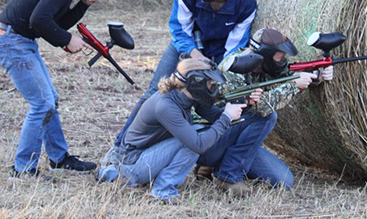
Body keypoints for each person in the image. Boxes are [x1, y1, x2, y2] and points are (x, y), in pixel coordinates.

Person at [103, 0, 257, 161]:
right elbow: (179, 30)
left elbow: (235, 46)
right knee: (154, 92)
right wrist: (194, 54)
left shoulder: (245, 3)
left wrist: (217, 70)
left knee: (211, 98)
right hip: (186, 45)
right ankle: (120, 148)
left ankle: (210, 157)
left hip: (219, 52)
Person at [0, 0, 118, 180]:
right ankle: (23, 170)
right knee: (42, 104)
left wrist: (83, 5)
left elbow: (55, 22)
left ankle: (59, 159)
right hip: (11, 42)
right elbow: (39, 21)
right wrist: (66, 39)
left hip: (20, 41)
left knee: (50, 99)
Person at [98, 58, 272, 199]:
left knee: (196, 135)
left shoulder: (188, 96)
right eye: (210, 82)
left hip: (147, 157)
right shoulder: (166, 106)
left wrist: (245, 104)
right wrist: (227, 116)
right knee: (193, 140)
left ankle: (163, 185)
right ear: (196, 82)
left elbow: (215, 117)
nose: (212, 86)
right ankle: (163, 191)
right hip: (134, 165)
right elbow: (199, 145)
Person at [206, 28, 334, 190]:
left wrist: (316, 75)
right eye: (279, 57)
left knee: (283, 181)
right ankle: (228, 175)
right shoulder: (234, 68)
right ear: (265, 55)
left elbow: (285, 76)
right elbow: (260, 107)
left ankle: (215, 164)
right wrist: (294, 86)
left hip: (236, 139)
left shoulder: (263, 66)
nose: (282, 61)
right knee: (267, 116)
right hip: (211, 139)